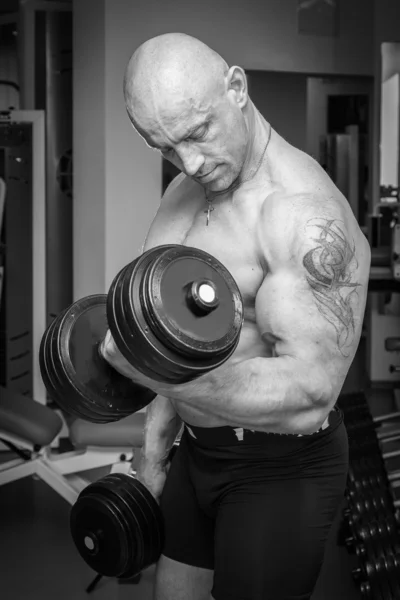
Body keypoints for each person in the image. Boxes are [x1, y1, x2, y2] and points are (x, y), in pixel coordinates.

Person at [102, 32, 371, 600]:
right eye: (167, 147)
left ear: (237, 88)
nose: (191, 163)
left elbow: (308, 393)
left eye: (199, 133)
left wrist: (148, 372)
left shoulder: (305, 215)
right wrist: (151, 457)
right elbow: (167, 337)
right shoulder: (182, 192)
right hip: (197, 453)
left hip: (281, 468)